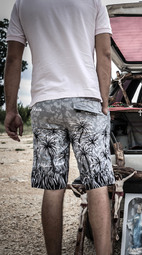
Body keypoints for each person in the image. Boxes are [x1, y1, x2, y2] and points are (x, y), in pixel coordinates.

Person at [4, 0, 115, 254]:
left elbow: (13, 59)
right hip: (86, 100)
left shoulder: (22, 4)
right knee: (97, 183)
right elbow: (105, 53)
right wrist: (105, 102)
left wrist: (11, 110)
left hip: (45, 103)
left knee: (52, 185)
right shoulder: (92, 1)